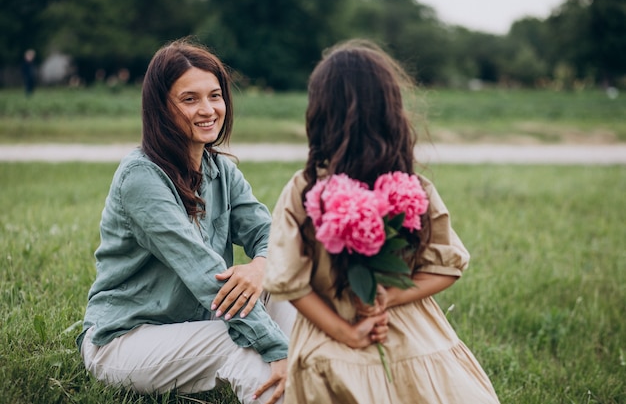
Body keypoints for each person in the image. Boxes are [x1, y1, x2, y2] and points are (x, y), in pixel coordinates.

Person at [263, 39, 500, 403]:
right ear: (392, 112)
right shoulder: (412, 187)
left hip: (331, 343)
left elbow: (289, 283)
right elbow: (446, 267)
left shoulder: (305, 189)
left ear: (319, 114)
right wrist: (389, 297)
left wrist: (346, 333)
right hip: (411, 337)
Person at [77, 38, 295, 404]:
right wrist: (275, 346)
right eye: (189, 99)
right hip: (125, 339)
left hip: (192, 322)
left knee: (291, 287)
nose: (208, 109)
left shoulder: (220, 169)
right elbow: (204, 274)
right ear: (161, 108)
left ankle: (302, 369)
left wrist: (261, 265)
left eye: (215, 95)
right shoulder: (141, 178)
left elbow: (268, 233)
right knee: (242, 343)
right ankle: (288, 365)